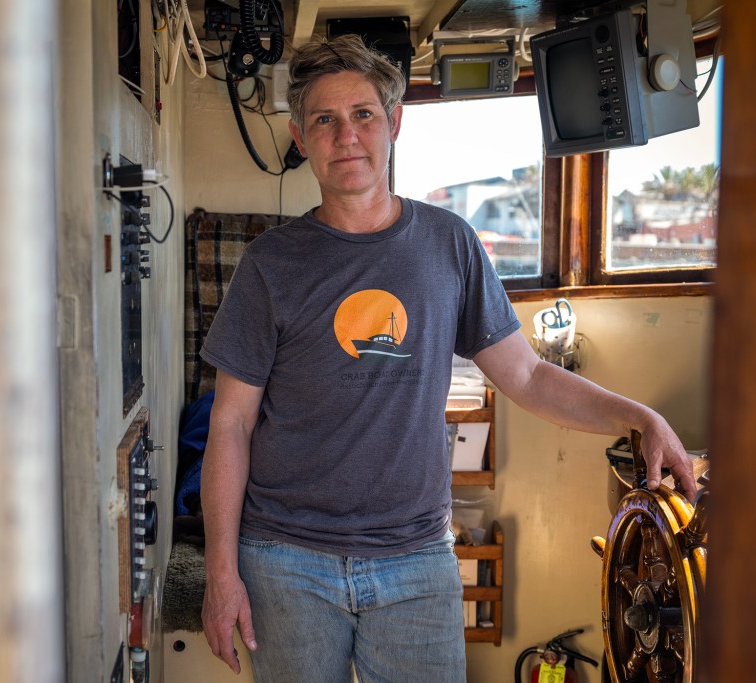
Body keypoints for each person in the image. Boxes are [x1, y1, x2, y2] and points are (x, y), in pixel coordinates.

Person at [199, 34, 697, 683]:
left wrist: (639, 416)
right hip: (287, 559)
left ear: (395, 122)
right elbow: (229, 423)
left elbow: (527, 375)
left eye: (363, 115)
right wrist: (221, 574)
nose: (345, 135)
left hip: (416, 560)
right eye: (324, 119)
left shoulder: (449, 244)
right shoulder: (271, 264)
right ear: (299, 135)